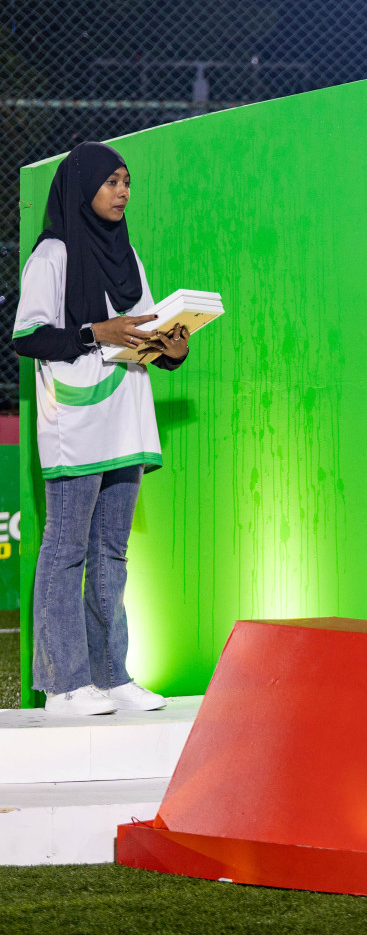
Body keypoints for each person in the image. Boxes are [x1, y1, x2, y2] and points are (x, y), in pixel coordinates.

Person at [13, 142, 191, 716]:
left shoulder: (127, 254)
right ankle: (63, 685)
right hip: (76, 420)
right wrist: (96, 332)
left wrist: (171, 349)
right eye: (112, 181)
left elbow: (140, 331)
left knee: (111, 550)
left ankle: (112, 676)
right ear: (83, 185)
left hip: (126, 416)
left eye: (127, 182)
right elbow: (28, 337)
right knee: (66, 548)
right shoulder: (53, 255)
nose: (123, 192)